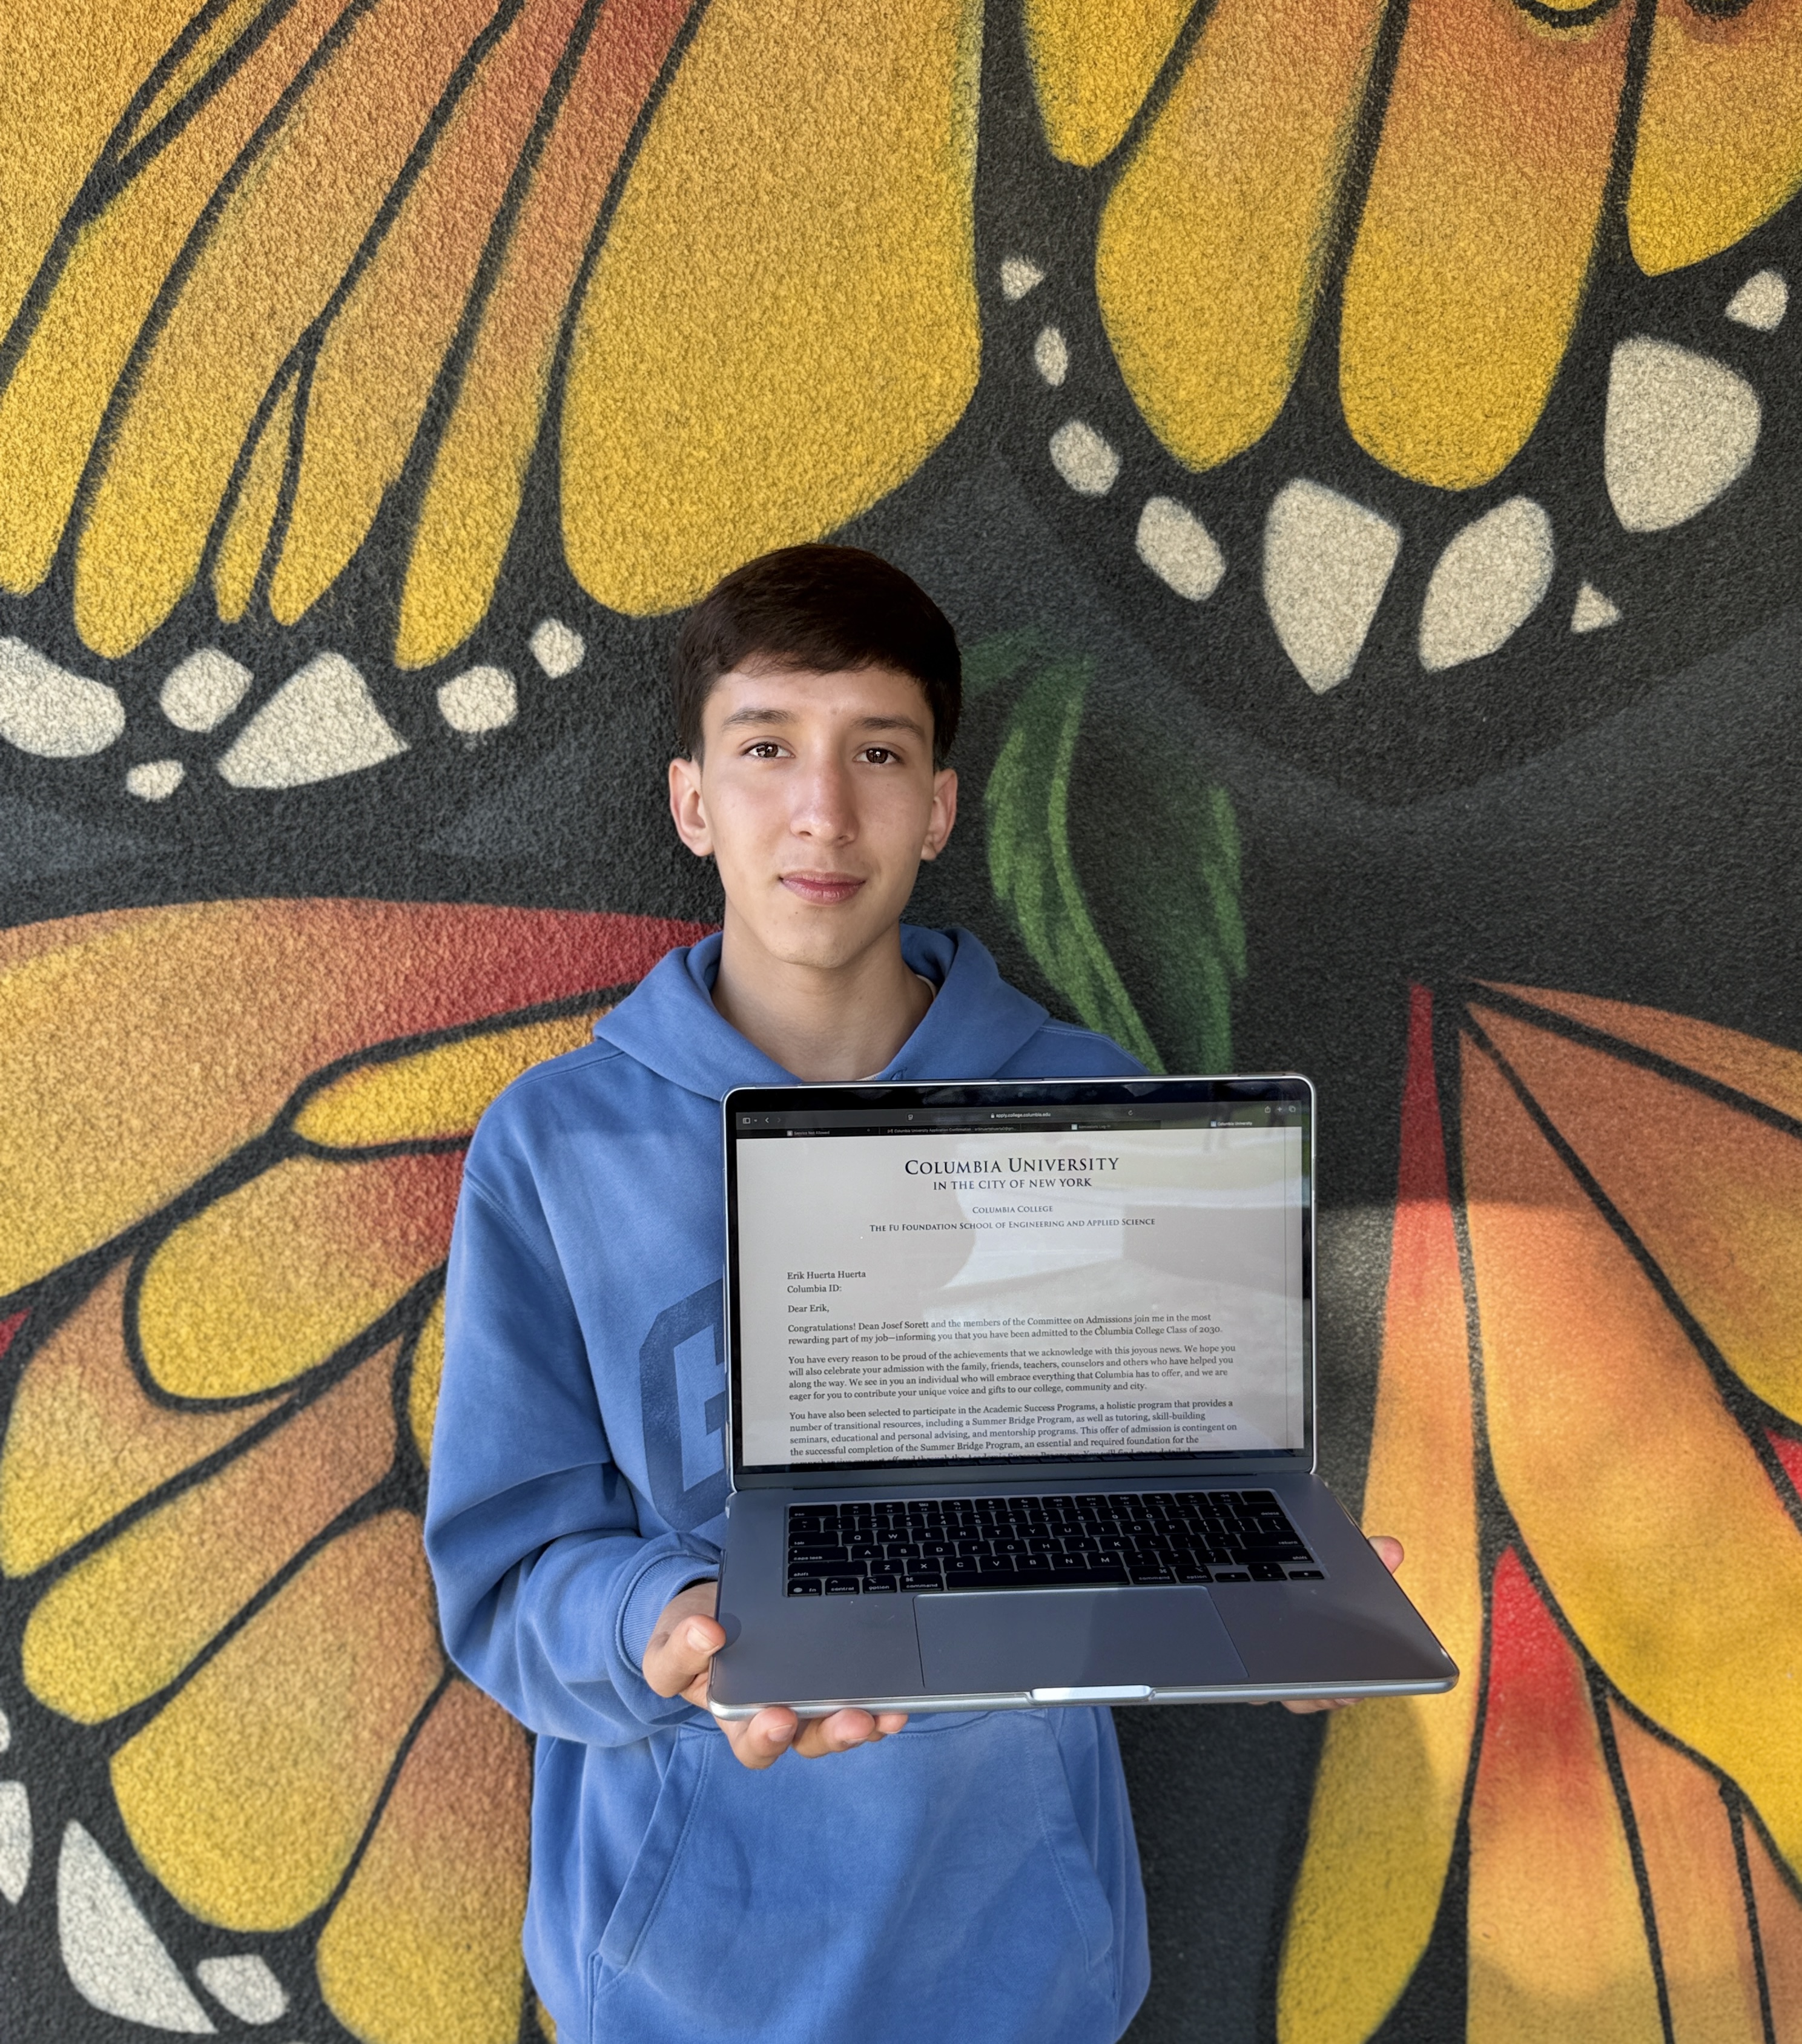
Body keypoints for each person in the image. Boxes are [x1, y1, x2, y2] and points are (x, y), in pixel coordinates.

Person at [423, 544, 1401, 2043]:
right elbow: (502, 1573)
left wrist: (1276, 1602)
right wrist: (662, 1616)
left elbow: (1158, 1496)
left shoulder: (1091, 1104)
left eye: (878, 752)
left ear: (939, 804)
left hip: (1028, 1966)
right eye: (767, 749)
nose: (823, 809)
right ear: (693, 799)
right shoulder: (559, 1139)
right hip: (678, 1984)